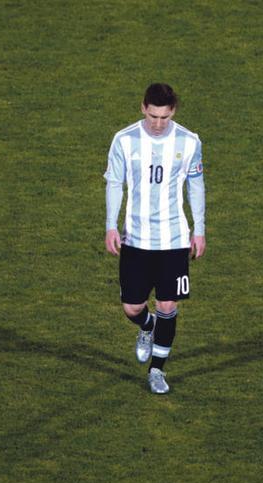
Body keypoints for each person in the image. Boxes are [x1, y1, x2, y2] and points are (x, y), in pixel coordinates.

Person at [104, 83, 206, 394]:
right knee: (132, 308)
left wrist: (198, 229)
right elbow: (114, 183)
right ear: (143, 108)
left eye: (164, 117)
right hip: (135, 238)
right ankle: (147, 328)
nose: (158, 123)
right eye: (152, 116)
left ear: (173, 111)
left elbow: (196, 186)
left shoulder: (189, 142)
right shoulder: (124, 140)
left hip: (173, 240)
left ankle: (157, 371)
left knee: (167, 304)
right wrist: (111, 225)